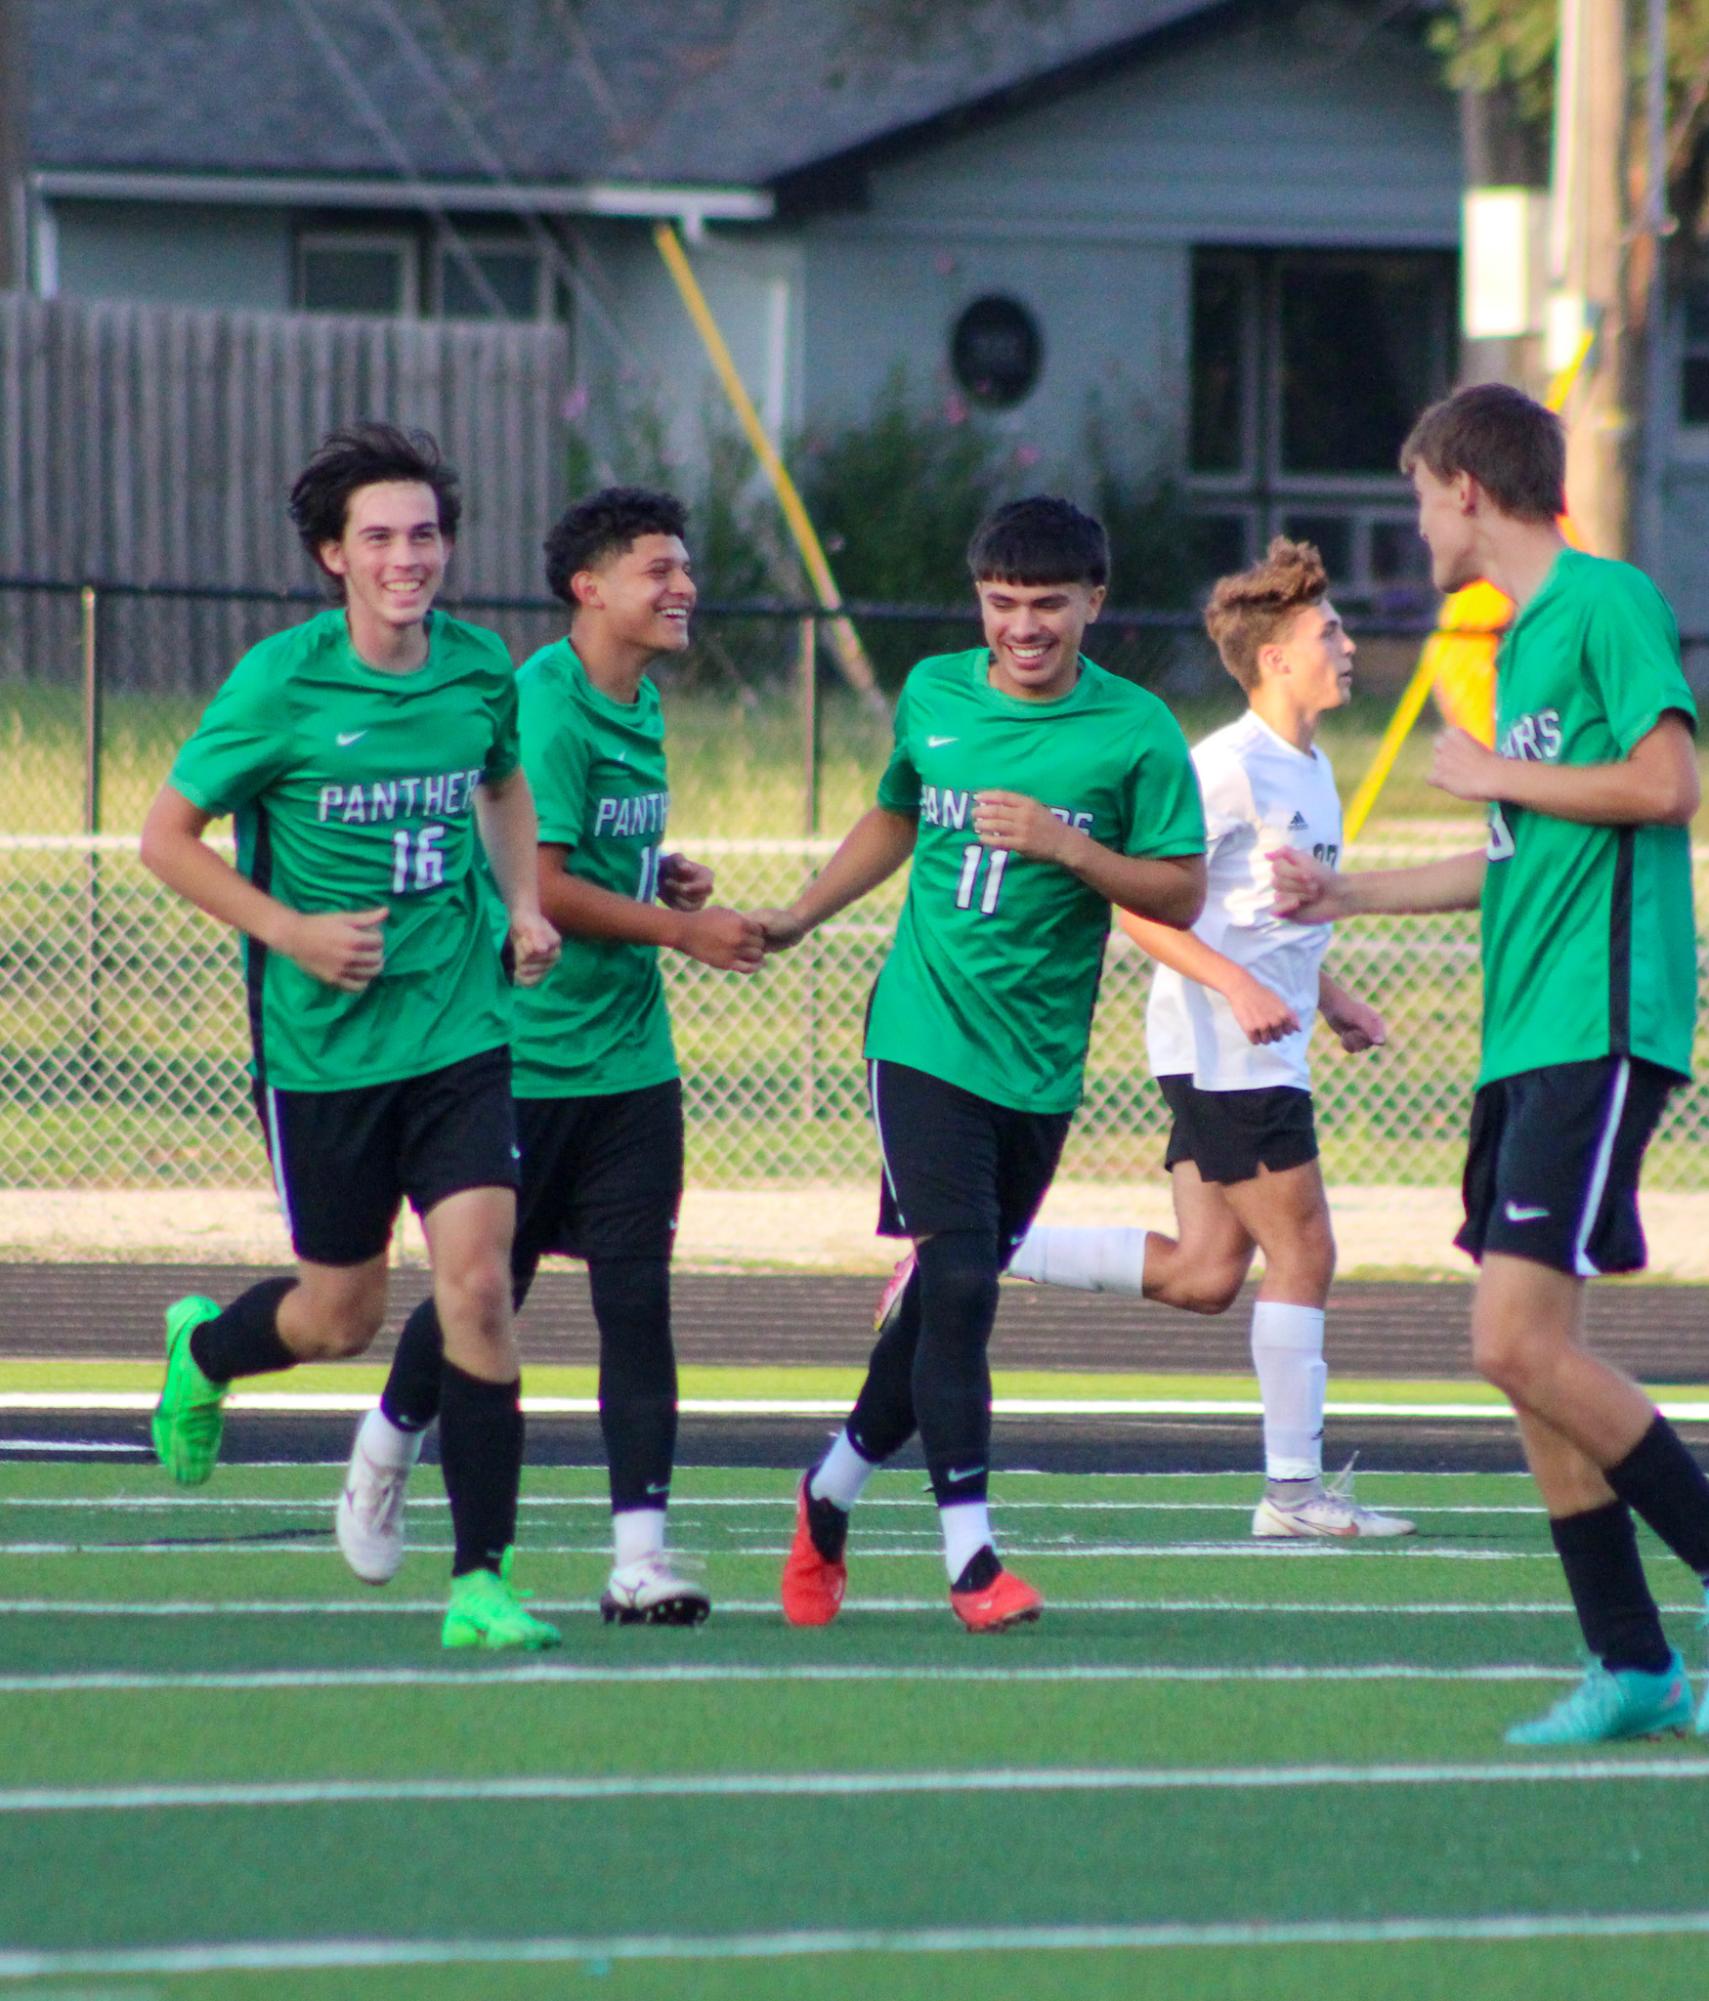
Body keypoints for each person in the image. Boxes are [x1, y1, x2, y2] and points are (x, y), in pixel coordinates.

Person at [1274, 383, 1709, 1743]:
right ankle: (1631, 1666)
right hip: (1525, 1038)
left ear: (1467, 487)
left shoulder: (1603, 600)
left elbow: (1664, 784)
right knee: (1530, 1359)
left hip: (1600, 1021)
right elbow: (1516, 856)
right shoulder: (1517, 650)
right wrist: (1341, 897)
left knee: (1509, 1339)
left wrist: (1495, 780)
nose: (1412, 523)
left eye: (1415, 493)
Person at [140, 421, 563, 1652]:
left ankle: (480, 1581)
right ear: (333, 556)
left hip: (458, 1031)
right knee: (341, 1317)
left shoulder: (481, 669)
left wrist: (524, 905)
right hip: (323, 1050)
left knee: (480, 1285)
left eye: (423, 533)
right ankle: (205, 1349)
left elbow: (500, 782)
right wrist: (293, 932)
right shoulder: (280, 684)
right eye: (377, 537)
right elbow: (166, 840)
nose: (406, 557)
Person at [759, 496, 1206, 1632]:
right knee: (958, 1284)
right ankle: (971, 1564)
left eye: (1047, 605)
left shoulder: (1138, 731)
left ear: (1092, 603)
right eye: (1001, 604)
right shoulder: (933, 694)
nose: (1022, 627)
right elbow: (894, 814)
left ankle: (827, 1496)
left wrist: (1067, 844)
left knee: (940, 1309)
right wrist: (804, 913)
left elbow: (1177, 891)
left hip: (1037, 1063)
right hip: (919, 1034)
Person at [338, 487, 764, 1625]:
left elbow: (586, 860)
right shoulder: (542, 702)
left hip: (629, 1061)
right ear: (589, 587)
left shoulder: (640, 704)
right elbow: (547, 882)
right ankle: (385, 1446)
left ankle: (639, 1558)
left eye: (683, 567)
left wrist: (658, 874)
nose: (681, 588)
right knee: (490, 1293)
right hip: (519, 1054)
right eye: (657, 570)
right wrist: (679, 928)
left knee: (636, 1304)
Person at [1004, 538, 1413, 1540]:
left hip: (1252, 1045)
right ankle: (1289, 1495)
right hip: (1223, 1050)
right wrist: (1233, 986)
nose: (1348, 644)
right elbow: (1137, 905)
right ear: (1276, 658)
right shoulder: (1223, 768)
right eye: (1330, 631)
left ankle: (972, 1249)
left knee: (1202, 1273)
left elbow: (1262, 918)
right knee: (1305, 1252)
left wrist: (1328, 994)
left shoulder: (1309, 769)